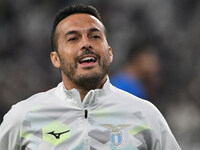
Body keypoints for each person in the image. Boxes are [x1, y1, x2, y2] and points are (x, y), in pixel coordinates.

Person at [0, 4, 181, 150]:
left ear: (109, 53)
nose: (86, 44)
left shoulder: (146, 115)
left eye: (94, 36)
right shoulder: (23, 117)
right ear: (56, 59)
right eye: (73, 38)